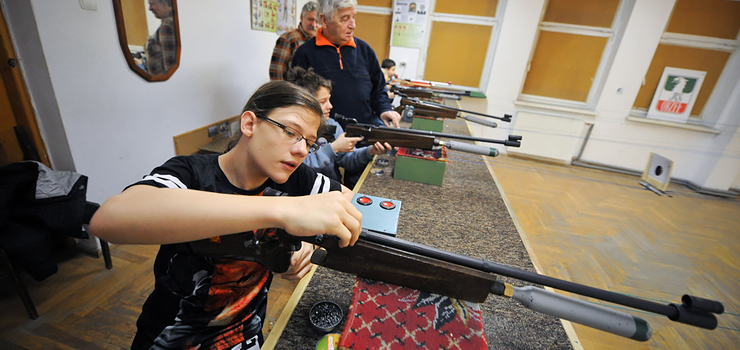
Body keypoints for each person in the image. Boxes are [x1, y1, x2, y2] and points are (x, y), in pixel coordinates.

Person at [89, 81, 362, 350]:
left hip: (245, 333)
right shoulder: (190, 172)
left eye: (310, 143)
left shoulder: (292, 175)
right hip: (170, 337)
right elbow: (109, 219)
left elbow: (350, 201)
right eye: (291, 131)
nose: (302, 150)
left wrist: (308, 240)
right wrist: (283, 212)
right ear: (250, 124)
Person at [291, 0, 402, 128]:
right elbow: (297, 100)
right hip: (325, 138)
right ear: (324, 20)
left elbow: (379, 90)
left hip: (364, 133)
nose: (353, 25)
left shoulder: (365, 50)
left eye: (353, 17)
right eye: (345, 19)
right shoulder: (304, 54)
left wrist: (384, 109)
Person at [287, 66, 391, 189]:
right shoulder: (292, 131)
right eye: (323, 101)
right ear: (305, 103)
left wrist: (370, 151)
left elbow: (347, 160)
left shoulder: (332, 124)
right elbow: (300, 166)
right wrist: (333, 148)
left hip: (331, 189)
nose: (330, 106)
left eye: (329, 100)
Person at [269, 1, 319, 81]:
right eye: (310, 19)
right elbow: (276, 72)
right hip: (294, 91)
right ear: (301, 17)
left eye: (317, 21)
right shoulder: (287, 39)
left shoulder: (321, 41)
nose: (313, 24)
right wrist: (281, 93)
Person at [144, 0, 177, 75]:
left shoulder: (166, 26)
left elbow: (170, 68)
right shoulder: (176, 21)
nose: (150, 8)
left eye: (152, 4)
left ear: (164, 4)